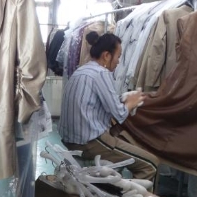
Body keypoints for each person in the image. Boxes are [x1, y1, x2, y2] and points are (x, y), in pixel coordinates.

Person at [58, 31, 159, 184]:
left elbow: (97, 102)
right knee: (150, 164)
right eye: (118, 56)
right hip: (90, 143)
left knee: (125, 142)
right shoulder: (101, 73)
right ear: (106, 55)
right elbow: (120, 114)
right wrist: (132, 102)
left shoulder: (81, 70)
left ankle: (121, 191)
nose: (118, 62)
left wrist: (123, 98)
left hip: (71, 140)